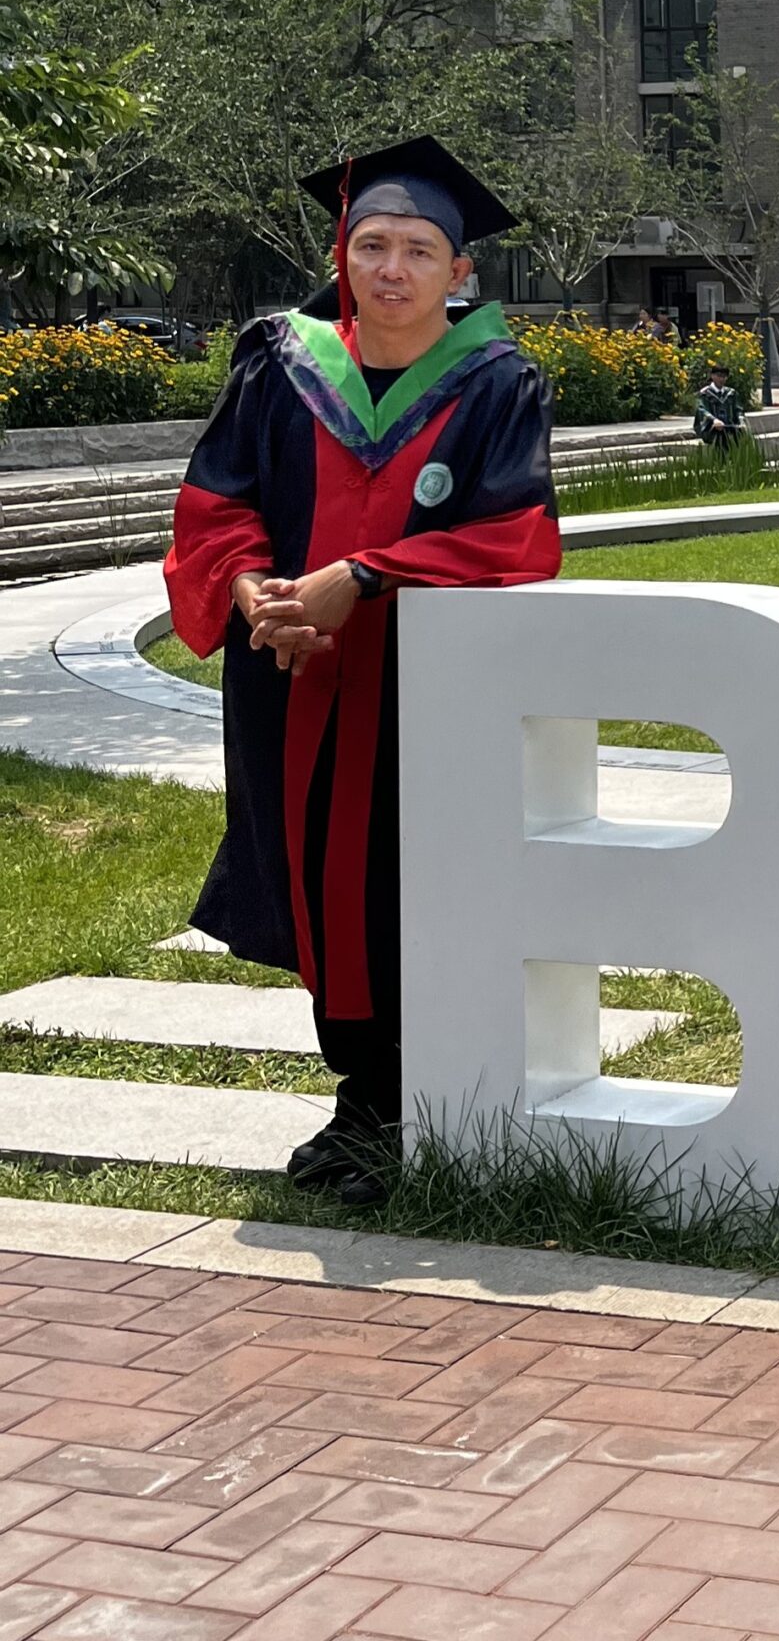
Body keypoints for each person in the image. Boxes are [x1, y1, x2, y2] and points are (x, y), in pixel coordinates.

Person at [162, 136, 562, 1205]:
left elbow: (518, 535)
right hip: (286, 678)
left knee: (407, 876)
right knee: (314, 880)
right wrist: (254, 591)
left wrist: (362, 577)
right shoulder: (280, 361)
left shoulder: (495, 381)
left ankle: (408, 1103)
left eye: (419, 250)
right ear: (341, 250)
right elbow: (215, 507)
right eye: (370, 244)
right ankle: (366, 1099)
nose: (391, 268)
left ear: (458, 273)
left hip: (423, 690)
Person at [694, 359, 746, 452]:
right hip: (712, 430)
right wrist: (714, 420)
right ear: (712, 376)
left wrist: (741, 421)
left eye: (724, 377)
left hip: (729, 428)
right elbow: (701, 409)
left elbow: (738, 410)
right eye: (719, 376)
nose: (721, 379)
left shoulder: (731, 393)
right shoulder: (705, 393)